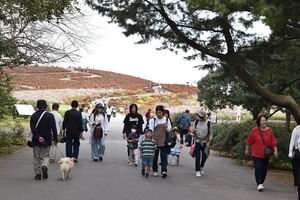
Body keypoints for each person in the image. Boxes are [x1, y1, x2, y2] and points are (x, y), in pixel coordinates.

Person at [245, 115, 278, 192]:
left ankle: (261, 182)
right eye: (263, 121)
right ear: (259, 122)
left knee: (264, 169)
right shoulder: (255, 130)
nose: (265, 122)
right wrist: (247, 150)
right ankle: (259, 184)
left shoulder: (269, 131)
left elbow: (274, 142)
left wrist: (275, 150)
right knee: (258, 168)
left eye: (265, 120)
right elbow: (249, 141)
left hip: (266, 154)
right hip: (256, 153)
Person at [30, 100, 58, 180]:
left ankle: (38, 174)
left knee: (36, 157)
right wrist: (55, 139)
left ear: (37, 107)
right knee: (45, 155)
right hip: (47, 139)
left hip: (36, 139)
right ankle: (44, 166)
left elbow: (33, 129)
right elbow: (54, 128)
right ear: (46, 106)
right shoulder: (50, 116)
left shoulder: (33, 116)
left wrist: (38, 137)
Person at [149, 105, 172, 178]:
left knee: (163, 156)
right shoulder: (153, 120)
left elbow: (169, 130)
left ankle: (164, 171)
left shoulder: (166, 120)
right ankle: (155, 170)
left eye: (160, 113)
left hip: (163, 140)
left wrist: (166, 127)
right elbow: (150, 130)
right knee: (155, 156)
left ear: (163, 112)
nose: (158, 114)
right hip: (155, 140)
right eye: (157, 113)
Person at [190, 110, 213, 177]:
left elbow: (211, 133)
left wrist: (209, 142)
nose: (198, 117)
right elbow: (192, 131)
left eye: (199, 116)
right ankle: (197, 170)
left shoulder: (208, 123)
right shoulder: (196, 122)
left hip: (205, 141)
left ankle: (201, 166)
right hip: (197, 141)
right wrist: (193, 131)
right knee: (197, 156)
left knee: (204, 156)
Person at [288, 120, 300, 198]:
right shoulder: (296, 130)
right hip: (297, 154)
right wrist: (290, 152)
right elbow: (292, 142)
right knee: (296, 172)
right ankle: (298, 187)